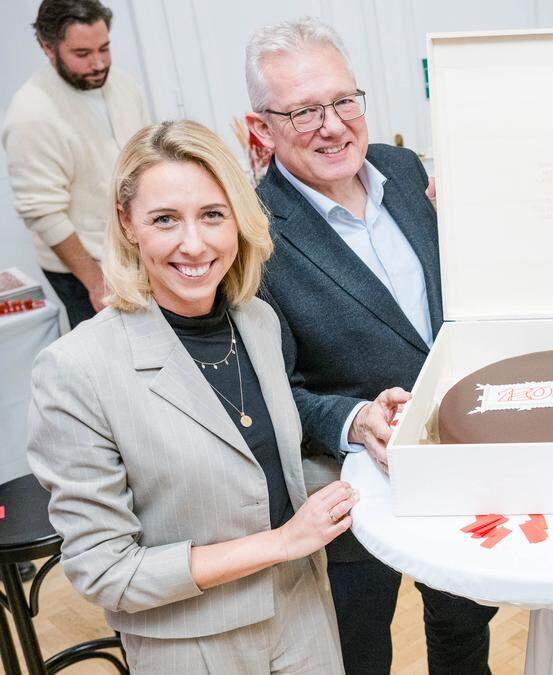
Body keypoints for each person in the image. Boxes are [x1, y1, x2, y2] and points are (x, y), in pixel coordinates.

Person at [26, 120, 350, 673]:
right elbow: (106, 571)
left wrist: (373, 452)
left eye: (212, 215)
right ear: (128, 224)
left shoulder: (257, 321)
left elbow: (267, 469)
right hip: (190, 645)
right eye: (165, 220)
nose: (194, 244)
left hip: (303, 615)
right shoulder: (75, 370)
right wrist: (280, 543)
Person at [244, 18, 497, 675]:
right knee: (359, 653)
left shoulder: (404, 169)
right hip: (352, 496)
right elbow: (267, 389)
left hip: (455, 462)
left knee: (464, 629)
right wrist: (353, 419)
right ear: (262, 126)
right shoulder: (252, 236)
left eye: (342, 100)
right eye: (303, 111)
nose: (331, 125)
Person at [1, 0, 149, 328]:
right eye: (82, 54)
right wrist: (96, 281)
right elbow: (43, 213)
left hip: (133, 252)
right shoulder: (30, 116)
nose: (98, 63)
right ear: (47, 47)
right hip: (85, 268)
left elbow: (144, 156)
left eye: (104, 48)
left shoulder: (123, 84)